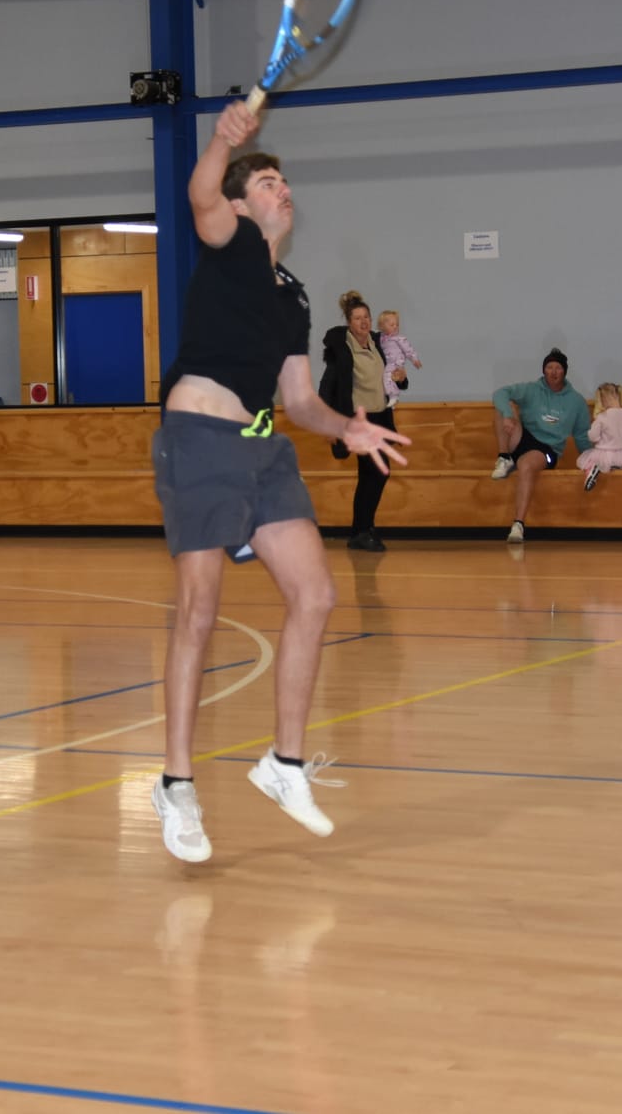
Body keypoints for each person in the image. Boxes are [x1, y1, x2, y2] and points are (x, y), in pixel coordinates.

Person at [149, 100, 408, 865]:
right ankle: (176, 782)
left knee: (318, 594)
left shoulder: (292, 291)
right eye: (265, 180)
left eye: (284, 179)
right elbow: (199, 196)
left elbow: (298, 401)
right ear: (239, 203)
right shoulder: (226, 244)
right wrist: (222, 143)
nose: (281, 187)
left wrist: (348, 428)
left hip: (264, 450)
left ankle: (283, 764)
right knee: (198, 611)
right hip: (199, 439)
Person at [317, 289, 402, 552]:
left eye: (366, 317)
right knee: (377, 471)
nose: (364, 322)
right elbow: (326, 386)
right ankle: (362, 530)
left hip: (379, 418)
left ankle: (361, 530)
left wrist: (401, 376)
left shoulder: (379, 344)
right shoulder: (342, 350)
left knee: (371, 476)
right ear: (349, 323)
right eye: (357, 318)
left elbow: (392, 374)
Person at [489, 348, 591, 543]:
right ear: (544, 370)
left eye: (558, 368)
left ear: (564, 372)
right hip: (523, 438)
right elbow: (500, 393)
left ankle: (518, 525)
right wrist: (509, 416)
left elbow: (581, 436)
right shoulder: (532, 389)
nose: (553, 372)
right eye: (549, 367)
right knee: (504, 406)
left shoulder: (576, 401)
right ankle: (504, 458)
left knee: (526, 465)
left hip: (547, 450)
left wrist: (592, 460)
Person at [576, 383, 622, 490]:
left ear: (603, 400)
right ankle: (617, 466)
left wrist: (601, 440)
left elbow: (593, 437)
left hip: (605, 454)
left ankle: (591, 471)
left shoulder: (602, 416)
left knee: (587, 461)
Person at [375, 309, 422, 409]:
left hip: (395, 362)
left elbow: (408, 349)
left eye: (397, 324)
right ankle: (391, 397)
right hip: (389, 362)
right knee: (386, 379)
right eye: (392, 325)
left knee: (387, 377)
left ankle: (393, 396)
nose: (395, 327)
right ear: (382, 326)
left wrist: (415, 359)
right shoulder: (380, 338)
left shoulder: (398, 338)